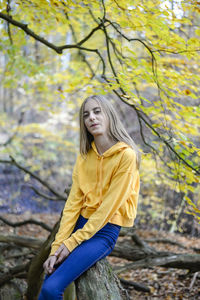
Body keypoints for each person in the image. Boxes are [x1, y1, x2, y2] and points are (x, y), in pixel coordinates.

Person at [38, 95, 141, 300]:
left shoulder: (126, 156)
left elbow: (107, 209)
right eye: (86, 115)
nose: (92, 118)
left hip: (104, 231)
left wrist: (71, 243)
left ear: (109, 115)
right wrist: (57, 247)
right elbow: (72, 206)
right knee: (48, 281)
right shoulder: (84, 157)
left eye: (97, 111)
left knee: (51, 289)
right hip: (79, 224)